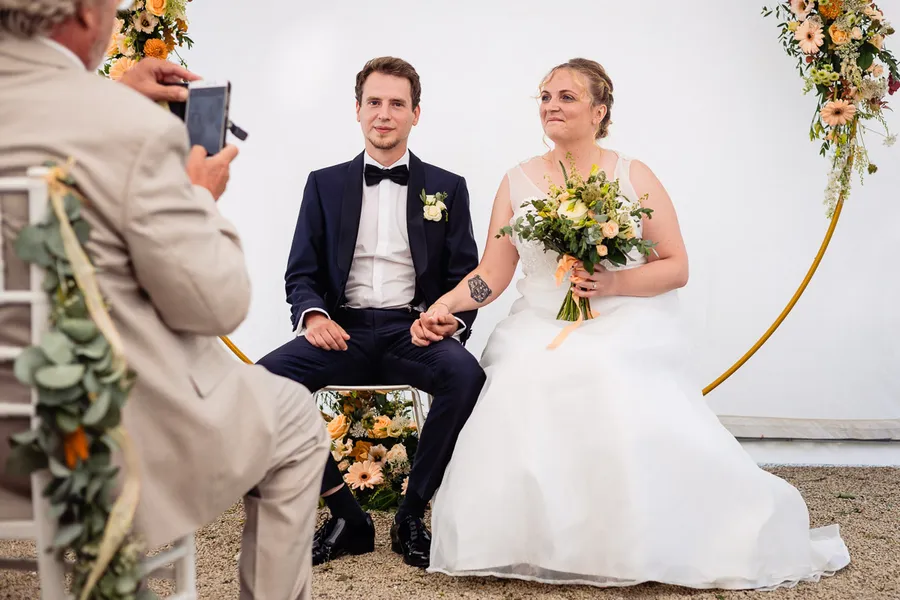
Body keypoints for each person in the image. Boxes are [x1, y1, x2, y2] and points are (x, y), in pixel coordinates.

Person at [420, 58, 851, 589]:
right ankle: (536, 541)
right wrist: (446, 305)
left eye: (566, 97)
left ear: (600, 111)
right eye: (544, 96)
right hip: (539, 322)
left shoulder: (632, 175)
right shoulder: (517, 180)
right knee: (522, 378)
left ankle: (626, 540)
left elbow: (676, 266)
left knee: (603, 372)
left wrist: (612, 284)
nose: (551, 106)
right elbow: (494, 272)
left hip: (619, 317)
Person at [0, 1, 329, 598]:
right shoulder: (127, 129)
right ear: (81, 11)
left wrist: (112, 92)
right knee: (298, 421)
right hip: (99, 436)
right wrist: (199, 197)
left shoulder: (104, 113)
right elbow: (216, 304)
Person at [256, 56, 484, 568]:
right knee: (264, 383)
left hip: (415, 331)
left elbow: (465, 277)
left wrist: (453, 320)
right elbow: (301, 273)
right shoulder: (324, 184)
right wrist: (314, 317)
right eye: (374, 103)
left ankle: (411, 513)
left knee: (466, 376)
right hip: (344, 330)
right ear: (357, 111)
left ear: (416, 113)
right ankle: (345, 514)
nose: (384, 114)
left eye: (396, 104)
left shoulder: (447, 188)